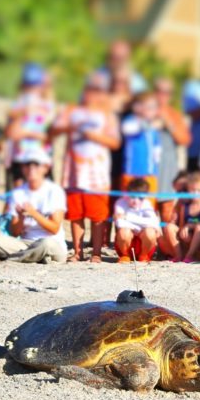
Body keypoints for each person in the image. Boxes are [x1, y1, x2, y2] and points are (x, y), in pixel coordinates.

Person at [56, 72, 119, 263]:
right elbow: (55, 128)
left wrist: (93, 136)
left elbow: (115, 142)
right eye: (91, 89)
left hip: (97, 175)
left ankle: (97, 253)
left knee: (98, 216)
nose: (93, 94)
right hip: (74, 172)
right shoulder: (72, 110)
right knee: (76, 215)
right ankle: (78, 251)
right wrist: (69, 127)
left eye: (98, 90)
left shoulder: (106, 114)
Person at [0, 146, 67, 264]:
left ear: (45, 167)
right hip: (26, 243)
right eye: (27, 164)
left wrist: (34, 214)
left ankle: (15, 258)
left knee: (46, 243)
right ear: (23, 168)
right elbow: (15, 233)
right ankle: (35, 257)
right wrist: (21, 218)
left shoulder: (54, 191)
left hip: (52, 243)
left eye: (36, 164)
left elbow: (54, 229)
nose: (31, 168)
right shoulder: (18, 193)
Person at [5, 63, 56, 189]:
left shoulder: (48, 107)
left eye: (35, 86)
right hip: (20, 158)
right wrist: (24, 114)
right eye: (29, 86)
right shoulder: (17, 107)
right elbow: (12, 133)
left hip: (41, 158)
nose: (32, 90)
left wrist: (27, 133)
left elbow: (50, 135)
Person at [153, 77, 191, 223]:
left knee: (168, 213)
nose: (162, 95)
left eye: (167, 92)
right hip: (148, 169)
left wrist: (168, 121)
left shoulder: (174, 114)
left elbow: (185, 140)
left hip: (168, 169)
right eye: (159, 91)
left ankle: (166, 244)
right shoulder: (145, 110)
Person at [167, 172, 200, 263]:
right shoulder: (184, 206)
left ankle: (190, 255)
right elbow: (181, 226)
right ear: (188, 190)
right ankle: (179, 255)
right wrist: (182, 228)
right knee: (169, 227)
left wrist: (190, 226)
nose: (196, 193)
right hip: (187, 237)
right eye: (193, 190)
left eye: (199, 190)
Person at [113, 177, 160, 263]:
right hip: (125, 243)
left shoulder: (146, 203)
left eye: (140, 198)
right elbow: (120, 224)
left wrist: (127, 217)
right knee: (124, 232)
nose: (136, 200)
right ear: (128, 194)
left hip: (143, 244)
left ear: (145, 197)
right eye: (133, 196)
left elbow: (154, 222)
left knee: (150, 232)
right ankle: (125, 255)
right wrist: (143, 225)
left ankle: (143, 255)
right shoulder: (120, 202)